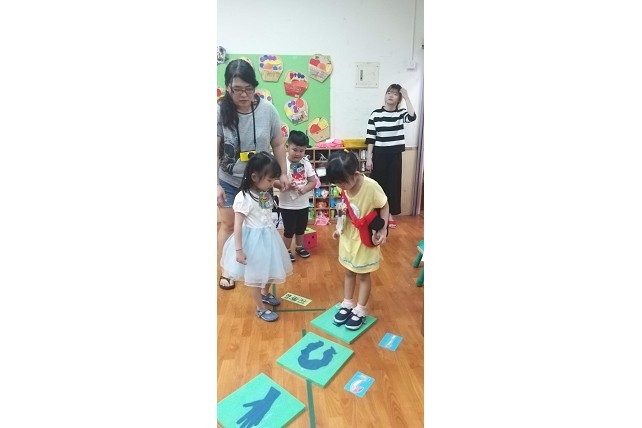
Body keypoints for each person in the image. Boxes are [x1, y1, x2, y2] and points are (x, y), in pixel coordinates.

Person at [218, 59, 290, 290]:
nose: (243, 94)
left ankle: (258, 266)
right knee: (229, 225)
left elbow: (278, 143)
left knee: (261, 225)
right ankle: (228, 271)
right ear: (228, 87)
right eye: (237, 89)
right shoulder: (219, 111)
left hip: (261, 183)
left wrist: (283, 173)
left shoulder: (268, 110)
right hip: (229, 180)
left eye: (248, 89)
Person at [219, 152, 293, 322]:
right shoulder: (243, 198)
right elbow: (237, 225)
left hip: (269, 237)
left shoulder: (264, 192)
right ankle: (260, 307)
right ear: (254, 177)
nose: (272, 184)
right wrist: (238, 250)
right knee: (255, 276)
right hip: (253, 242)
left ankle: (264, 293)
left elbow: (266, 214)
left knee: (272, 269)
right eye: (270, 180)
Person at [326, 150, 389, 330]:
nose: (341, 187)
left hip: (365, 237)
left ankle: (360, 309)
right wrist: (339, 228)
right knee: (348, 270)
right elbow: (345, 207)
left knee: (363, 274)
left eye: (343, 183)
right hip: (349, 235)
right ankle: (347, 303)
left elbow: (384, 205)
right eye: (337, 184)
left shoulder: (371, 186)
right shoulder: (343, 184)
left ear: (355, 174)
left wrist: (383, 229)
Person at [365, 84, 416, 229]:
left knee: (393, 186)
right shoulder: (375, 114)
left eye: (394, 94)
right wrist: (369, 158)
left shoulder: (401, 114)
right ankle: (378, 213)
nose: (390, 95)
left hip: (395, 155)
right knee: (378, 185)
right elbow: (370, 138)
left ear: (399, 99)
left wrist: (406, 97)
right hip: (379, 154)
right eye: (388, 92)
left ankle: (390, 214)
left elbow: (412, 116)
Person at [274, 130, 317, 262]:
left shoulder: (306, 163)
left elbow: (313, 181)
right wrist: (286, 185)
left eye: (302, 150)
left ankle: (299, 247)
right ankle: (286, 250)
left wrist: (305, 189)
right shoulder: (281, 164)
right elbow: (273, 182)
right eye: (295, 149)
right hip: (287, 205)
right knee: (289, 229)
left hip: (303, 204)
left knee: (301, 228)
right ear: (287, 147)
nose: (298, 153)